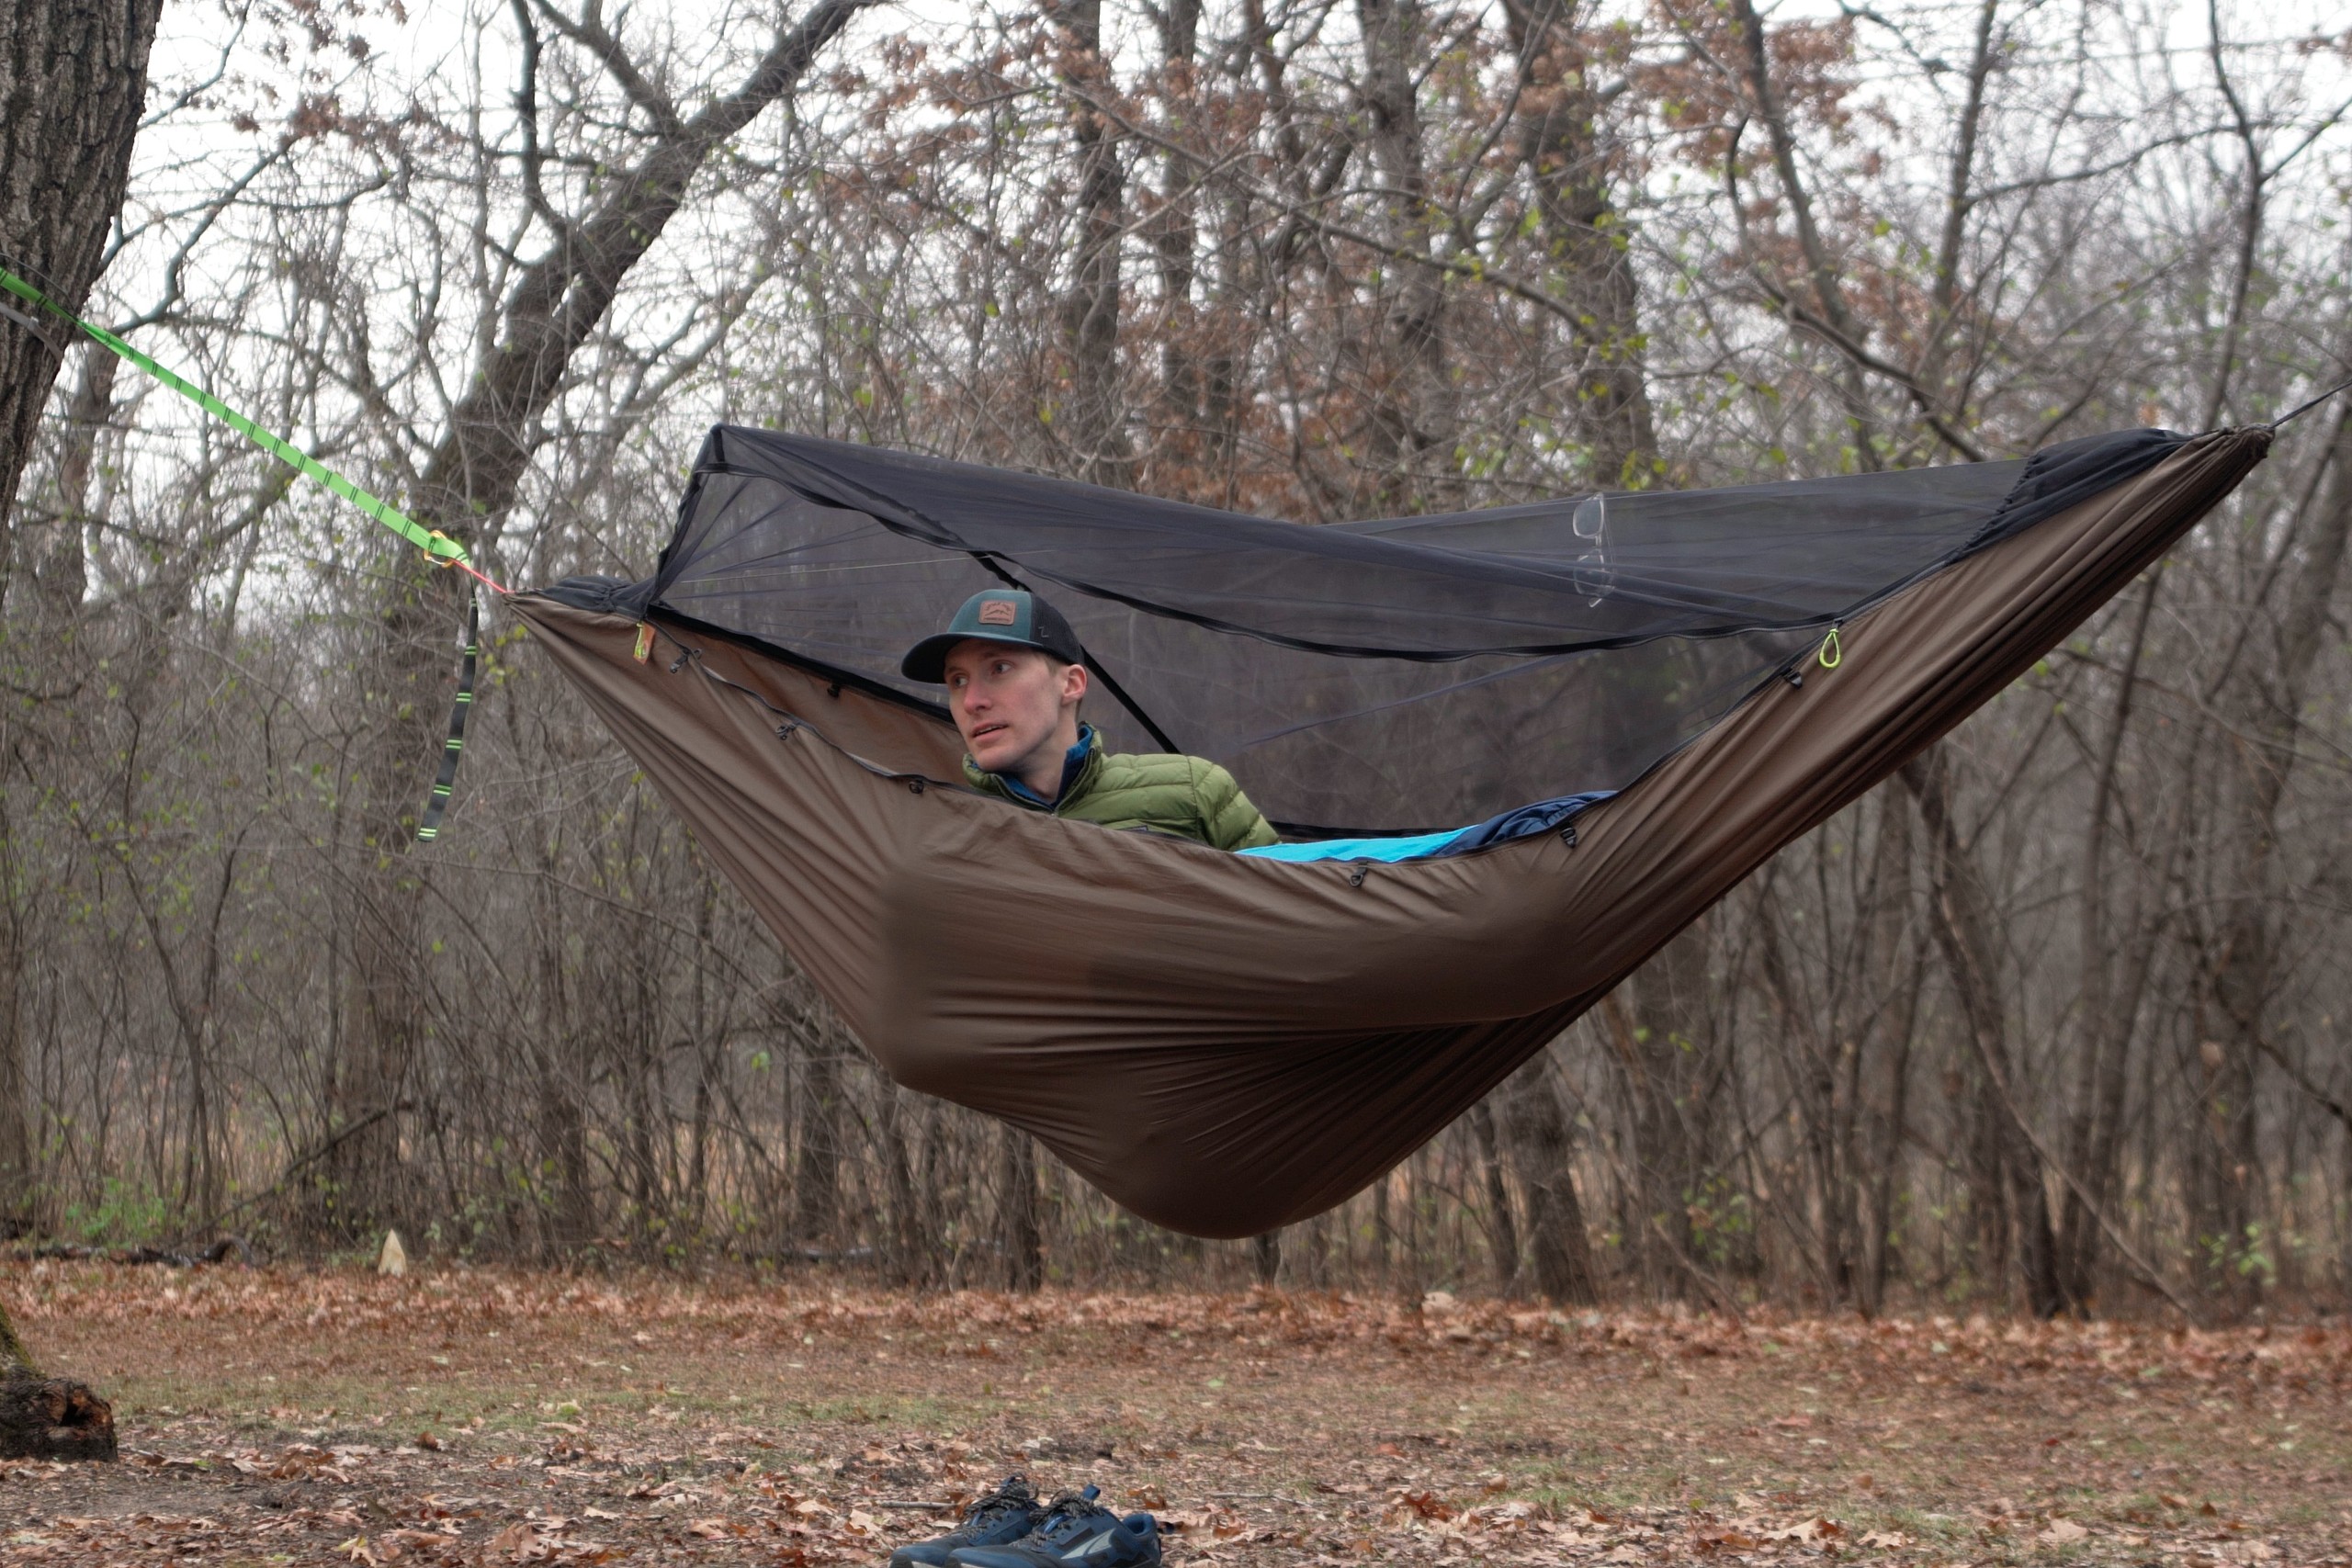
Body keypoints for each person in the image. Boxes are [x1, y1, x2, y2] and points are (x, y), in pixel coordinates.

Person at [900, 589, 1279, 852]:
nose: (971, 701)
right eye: (957, 680)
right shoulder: (940, 827)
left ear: (1071, 684)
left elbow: (1295, 913)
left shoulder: (1193, 791)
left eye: (999, 668)